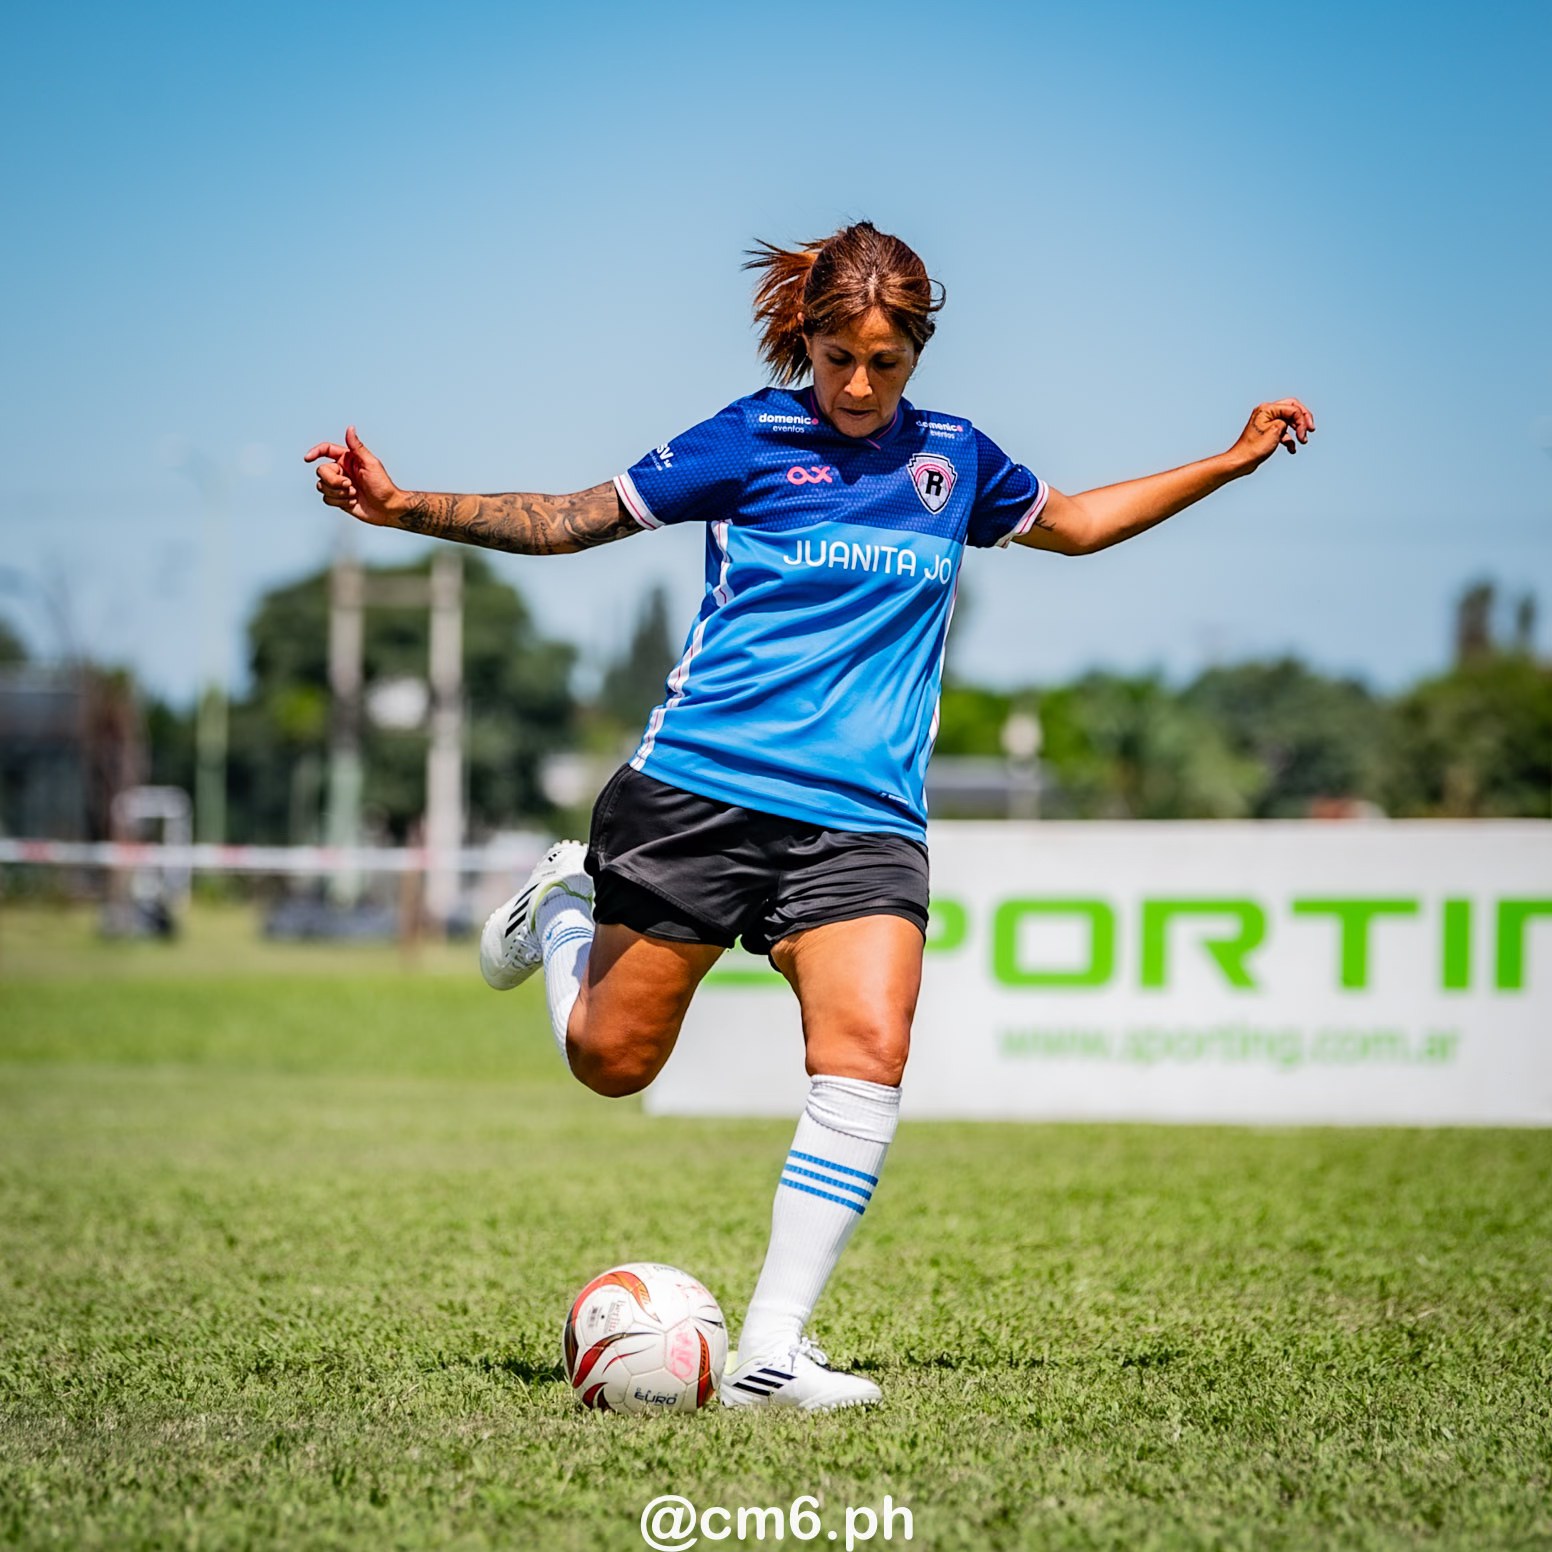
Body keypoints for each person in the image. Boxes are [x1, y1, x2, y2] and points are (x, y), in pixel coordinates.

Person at [305, 221, 1314, 1411]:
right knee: (611, 1062)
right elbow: (572, 518)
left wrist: (1231, 459)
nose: (859, 385)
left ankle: (771, 1353)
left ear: (917, 352)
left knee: (868, 1052)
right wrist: (401, 505)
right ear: (806, 339)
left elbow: (1081, 525)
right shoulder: (747, 438)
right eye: (839, 358)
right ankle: (565, 909)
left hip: (863, 819)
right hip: (699, 793)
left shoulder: (955, 459)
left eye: (886, 362)